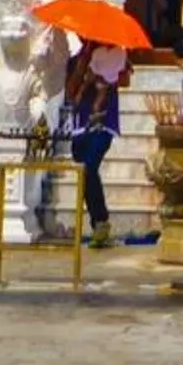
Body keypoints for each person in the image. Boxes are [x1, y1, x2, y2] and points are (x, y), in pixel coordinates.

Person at [64, 39, 130, 248]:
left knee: (89, 167)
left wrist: (106, 78)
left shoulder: (117, 53)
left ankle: (100, 220)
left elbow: (125, 80)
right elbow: (70, 91)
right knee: (85, 171)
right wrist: (84, 66)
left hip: (103, 122)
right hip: (80, 124)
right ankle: (98, 224)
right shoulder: (76, 60)